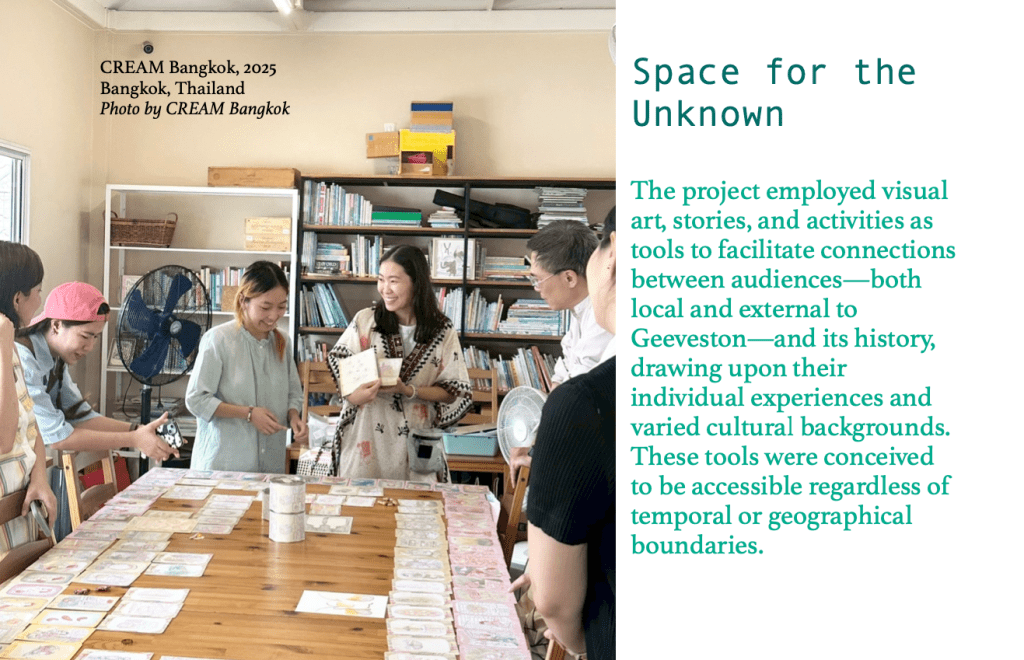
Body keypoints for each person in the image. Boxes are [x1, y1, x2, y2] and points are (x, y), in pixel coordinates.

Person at [526, 209, 616, 659]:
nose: (535, 287)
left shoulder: (588, 398)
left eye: (536, 279)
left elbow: (553, 601)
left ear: (611, 259)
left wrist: (585, 644)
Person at [327, 245, 471, 480]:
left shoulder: (442, 330)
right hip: (367, 437)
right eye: (381, 279)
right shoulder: (365, 321)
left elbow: (451, 391)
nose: (385, 289)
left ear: (416, 283)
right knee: (363, 500)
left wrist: (408, 390)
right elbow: (342, 370)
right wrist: (355, 396)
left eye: (393, 281)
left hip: (418, 440)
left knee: (420, 501)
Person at [16, 281, 179, 460]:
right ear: (56, 326)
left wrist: (138, 430)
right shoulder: (23, 359)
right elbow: (58, 437)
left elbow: (81, 416)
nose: (90, 347)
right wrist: (134, 439)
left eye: (95, 337)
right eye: (85, 336)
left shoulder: (55, 358)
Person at [186, 261, 307, 473]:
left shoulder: (283, 343)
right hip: (223, 467)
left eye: (281, 307)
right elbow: (196, 400)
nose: (274, 316)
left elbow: (294, 394)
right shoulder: (218, 340)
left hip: (270, 465)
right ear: (244, 301)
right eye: (265, 307)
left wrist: (295, 417)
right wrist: (248, 414)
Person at [0, 241, 58, 559]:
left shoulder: (13, 348)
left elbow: (31, 424)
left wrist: (40, 477)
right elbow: (4, 438)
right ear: (16, 298)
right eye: (37, 290)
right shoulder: (5, 347)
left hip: (20, 512)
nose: (40, 300)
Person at [526, 220, 613, 388]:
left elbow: (579, 383)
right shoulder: (580, 306)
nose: (536, 288)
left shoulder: (604, 314)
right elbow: (567, 363)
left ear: (569, 278)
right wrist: (557, 383)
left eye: (538, 279)